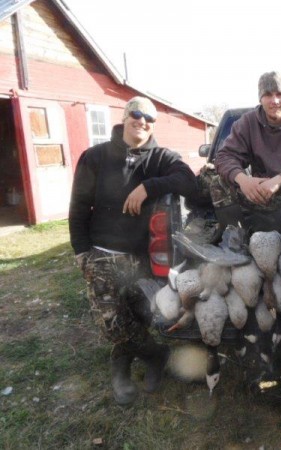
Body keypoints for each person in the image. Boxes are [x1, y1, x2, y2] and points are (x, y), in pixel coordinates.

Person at [68, 96, 197, 405]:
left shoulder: (161, 157)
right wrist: (81, 251)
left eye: (149, 118)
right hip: (101, 253)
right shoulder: (95, 157)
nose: (142, 121)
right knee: (112, 322)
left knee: (138, 316)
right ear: (124, 117)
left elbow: (189, 181)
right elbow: (78, 208)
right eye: (136, 114)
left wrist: (148, 186)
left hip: (142, 257)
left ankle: (124, 363)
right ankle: (155, 354)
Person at [210, 71, 281, 231]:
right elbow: (224, 156)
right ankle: (235, 237)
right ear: (260, 98)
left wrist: (279, 180)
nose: (275, 101)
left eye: (280, 94)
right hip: (258, 193)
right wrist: (243, 180)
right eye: (268, 95)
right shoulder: (247, 122)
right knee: (218, 182)